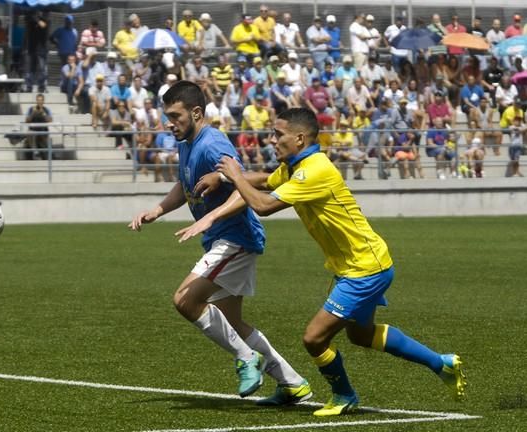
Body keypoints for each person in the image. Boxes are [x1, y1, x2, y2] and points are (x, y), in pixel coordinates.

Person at [180, 107, 467, 416]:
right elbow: (265, 180)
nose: (271, 140)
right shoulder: (295, 166)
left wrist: (234, 175)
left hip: (364, 269)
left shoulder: (314, 169)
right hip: (359, 265)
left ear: (300, 138)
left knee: (314, 338)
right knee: (361, 335)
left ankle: (344, 396)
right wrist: (223, 176)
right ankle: (442, 363)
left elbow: (262, 205)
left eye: (278, 135)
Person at [130, 81, 311, 405]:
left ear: (196, 113)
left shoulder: (213, 143)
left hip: (235, 238)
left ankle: (246, 358)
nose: (169, 123)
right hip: (223, 239)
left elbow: (242, 185)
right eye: (166, 116)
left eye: (175, 115)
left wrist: (210, 217)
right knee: (233, 323)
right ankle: (292, 383)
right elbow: (186, 183)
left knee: (185, 300)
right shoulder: (187, 143)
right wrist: (157, 211)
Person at [25, 93, 52, 160]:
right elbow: (27, 121)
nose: (40, 102)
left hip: (43, 131)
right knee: (30, 134)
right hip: (33, 130)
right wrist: (32, 114)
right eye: (38, 100)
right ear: (36, 101)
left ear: (43, 101)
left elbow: (50, 120)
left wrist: (43, 113)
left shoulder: (46, 110)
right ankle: (35, 151)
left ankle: (40, 152)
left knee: (41, 138)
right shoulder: (31, 109)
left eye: (41, 100)